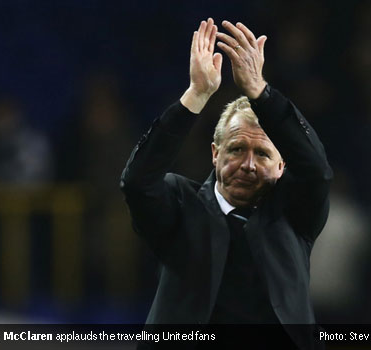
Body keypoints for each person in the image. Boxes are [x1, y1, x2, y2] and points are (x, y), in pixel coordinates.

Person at [120, 18, 332, 349]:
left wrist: (261, 92)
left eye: (262, 154)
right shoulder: (179, 204)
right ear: (215, 154)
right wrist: (196, 95)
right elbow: (136, 181)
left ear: (281, 165)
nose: (247, 165)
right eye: (236, 149)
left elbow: (317, 172)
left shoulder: (294, 212)